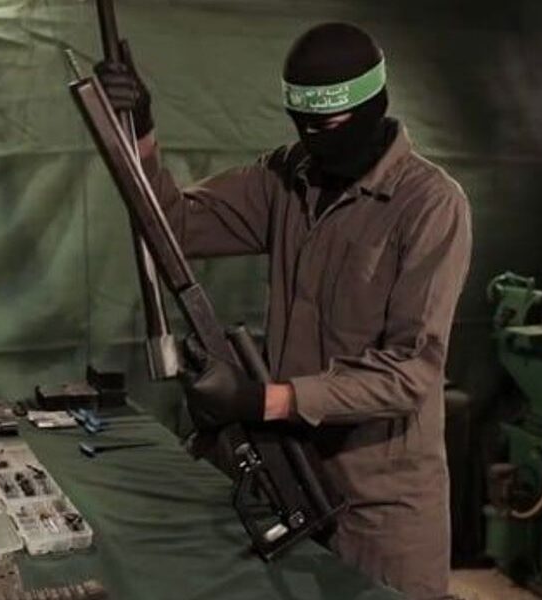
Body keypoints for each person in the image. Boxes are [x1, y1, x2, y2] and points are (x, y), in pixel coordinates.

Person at [94, 22, 472, 599]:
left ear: (373, 105)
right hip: (288, 475)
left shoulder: (430, 205)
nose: (315, 141)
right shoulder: (286, 177)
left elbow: (410, 374)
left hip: (381, 505)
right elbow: (172, 227)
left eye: (331, 125)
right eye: (303, 124)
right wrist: (138, 132)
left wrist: (262, 400)